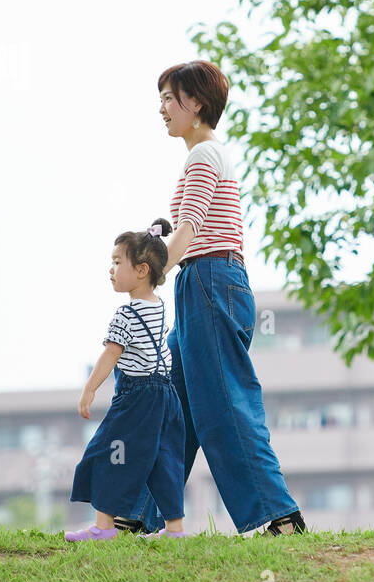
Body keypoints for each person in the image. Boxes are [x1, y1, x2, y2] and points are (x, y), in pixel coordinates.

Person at [116, 60, 306, 537]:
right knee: (174, 406)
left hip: (209, 281)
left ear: (196, 103)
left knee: (223, 404)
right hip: (204, 282)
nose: (160, 108)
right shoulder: (203, 157)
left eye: (168, 98)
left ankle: (276, 516)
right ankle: (137, 516)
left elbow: (193, 225)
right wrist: (160, 243)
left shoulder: (203, 155)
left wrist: (150, 276)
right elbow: (184, 227)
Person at [64, 220, 187, 541]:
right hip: (166, 394)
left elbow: (110, 356)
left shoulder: (125, 314)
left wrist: (89, 390)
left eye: (118, 262)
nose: (111, 269)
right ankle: (175, 530)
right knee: (164, 458)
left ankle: (103, 528)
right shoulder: (158, 306)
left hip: (137, 397)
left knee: (107, 452)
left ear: (142, 270)